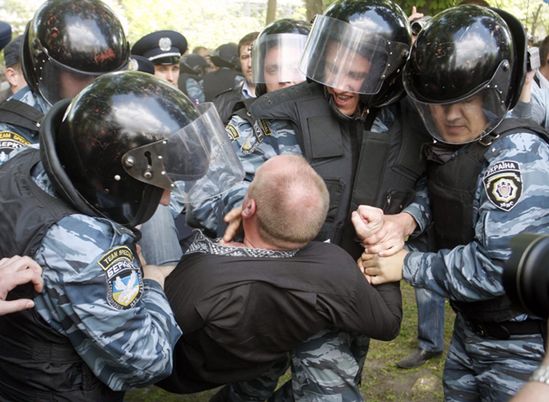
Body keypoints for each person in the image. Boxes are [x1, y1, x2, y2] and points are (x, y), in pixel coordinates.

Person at [191, 0, 431, 399]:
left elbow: (429, 186)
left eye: (356, 75)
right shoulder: (274, 114)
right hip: (271, 293)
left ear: (388, 71)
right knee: (251, 390)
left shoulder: (410, 122)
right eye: (334, 68)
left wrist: (405, 221)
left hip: (343, 296)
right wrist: (258, 205)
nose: (339, 85)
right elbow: (208, 192)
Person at [0, 70, 242, 401]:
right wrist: (153, 282)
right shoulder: (87, 253)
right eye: (162, 183)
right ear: (116, 174)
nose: (168, 199)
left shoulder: (22, 162)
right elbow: (147, 361)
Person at [361, 5, 549, 401]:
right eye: (436, 104)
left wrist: (405, 265)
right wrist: (408, 220)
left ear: (496, 88)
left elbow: (497, 268)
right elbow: (452, 187)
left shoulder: (515, 157)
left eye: (465, 100)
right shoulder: (472, 142)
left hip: (518, 345)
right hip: (471, 331)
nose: (449, 116)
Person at [155, 155, 402, 400]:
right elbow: (389, 323)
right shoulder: (335, 268)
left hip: (192, 373)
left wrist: (152, 279)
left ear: (249, 207)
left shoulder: (202, 275)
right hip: (264, 356)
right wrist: (376, 242)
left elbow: (152, 346)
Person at [0, 0, 129, 164]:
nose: (96, 87)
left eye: (107, 76)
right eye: (81, 77)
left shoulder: (118, 112)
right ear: (44, 70)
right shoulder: (13, 131)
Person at [213, 31, 259, 124]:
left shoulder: (284, 99)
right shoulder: (222, 102)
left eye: (255, 56)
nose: (250, 64)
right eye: (245, 57)